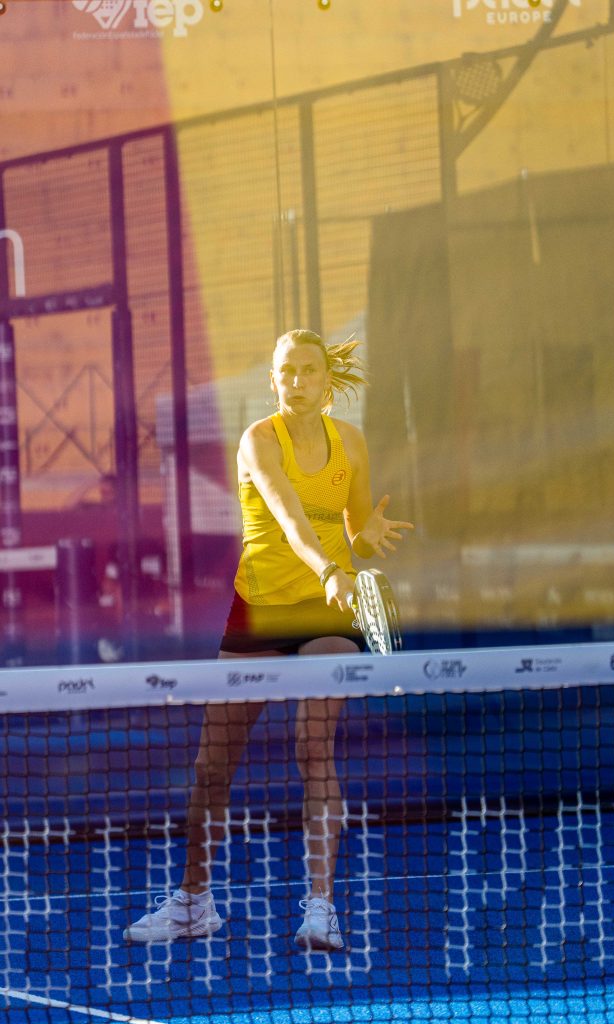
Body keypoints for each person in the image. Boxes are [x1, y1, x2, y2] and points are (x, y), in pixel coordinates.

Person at [123, 329, 413, 950]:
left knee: (314, 747)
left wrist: (364, 540)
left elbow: (354, 530)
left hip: (329, 612)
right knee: (212, 766)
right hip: (259, 611)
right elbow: (290, 518)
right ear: (274, 379)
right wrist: (331, 568)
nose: (297, 381)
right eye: (286, 371)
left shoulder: (350, 443)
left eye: (308, 370)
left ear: (326, 380)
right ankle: (194, 903)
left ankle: (321, 908)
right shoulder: (259, 439)